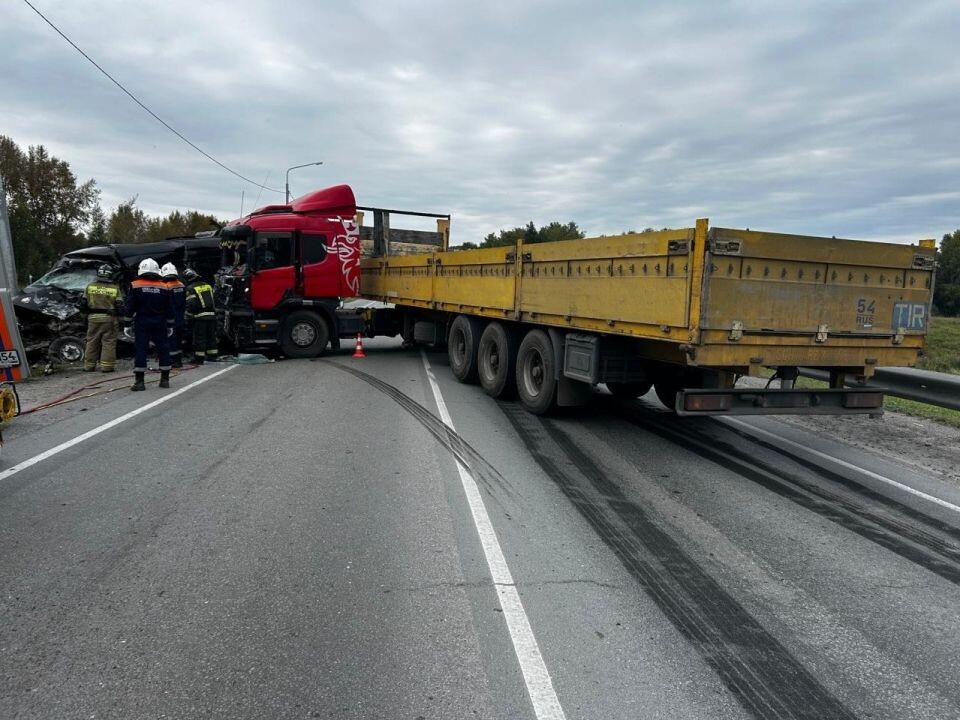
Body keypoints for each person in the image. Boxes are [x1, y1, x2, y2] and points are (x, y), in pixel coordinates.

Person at [122, 258, 174, 391]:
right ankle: (165, 380)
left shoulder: (135, 285)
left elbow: (129, 306)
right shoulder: (165, 286)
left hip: (142, 321)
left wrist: (127, 323)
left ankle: (139, 382)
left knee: (141, 349)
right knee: (163, 348)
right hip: (160, 321)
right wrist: (170, 325)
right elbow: (169, 308)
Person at [80, 264, 123, 372]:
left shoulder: (90, 286)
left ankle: (89, 366)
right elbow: (119, 306)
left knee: (91, 341)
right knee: (108, 342)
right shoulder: (114, 288)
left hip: (93, 318)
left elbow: (83, 304)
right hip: (109, 319)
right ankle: (107, 367)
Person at [183, 267, 218, 363]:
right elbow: (215, 300)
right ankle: (212, 356)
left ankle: (199, 358)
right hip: (212, 316)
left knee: (200, 338)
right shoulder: (208, 286)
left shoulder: (191, 288)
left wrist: (188, 313)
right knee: (211, 337)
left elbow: (191, 304)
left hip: (200, 317)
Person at [161, 262, 186, 368]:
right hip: (180, 316)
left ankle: (174, 361)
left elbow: (165, 304)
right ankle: (179, 358)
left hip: (170, 317)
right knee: (178, 338)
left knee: (171, 339)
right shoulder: (181, 285)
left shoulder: (166, 286)